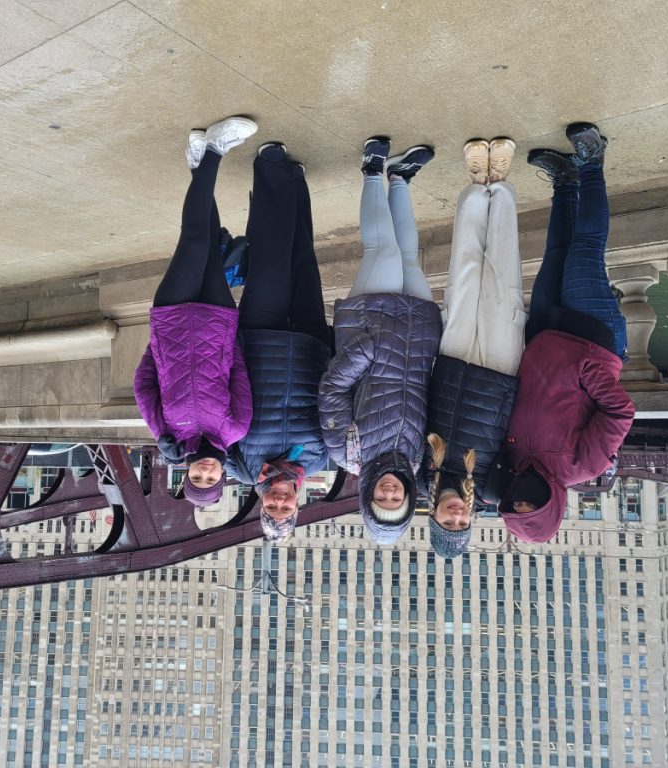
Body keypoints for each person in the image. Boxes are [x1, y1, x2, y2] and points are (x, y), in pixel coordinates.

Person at [499, 122, 635, 543]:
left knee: (556, 252)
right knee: (585, 250)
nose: (522, 498)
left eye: (515, 504)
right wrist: (585, 370)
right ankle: (592, 162)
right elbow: (619, 412)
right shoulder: (582, 466)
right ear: (551, 506)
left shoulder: (512, 458)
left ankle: (564, 181)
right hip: (592, 339)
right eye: (531, 505)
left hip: (544, 333)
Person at [319, 137, 443, 545]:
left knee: (381, 250)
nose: (390, 492)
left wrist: (371, 347)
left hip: (368, 331)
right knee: (408, 256)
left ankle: (373, 169)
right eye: (397, 500)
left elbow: (334, 387)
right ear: (409, 498)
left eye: (381, 499)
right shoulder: (419, 459)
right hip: (417, 338)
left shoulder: (347, 453)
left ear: (367, 495)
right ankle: (402, 178)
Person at [133, 115, 257, 508]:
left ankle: (215, 151)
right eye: (211, 478)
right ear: (223, 474)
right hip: (218, 320)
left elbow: (143, 384)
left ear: (186, 472)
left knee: (193, 239)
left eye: (197, 478)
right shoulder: (235, 428)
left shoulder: (167, 432)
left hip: (170, 318)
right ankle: (198, 163)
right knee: (208, 245)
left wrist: (159, 347)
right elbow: (239, 370)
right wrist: (226, 339)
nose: (205, 472)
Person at [223, 142, 333, 541]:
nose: (279, 502)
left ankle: (270, 167)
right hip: (309, 345)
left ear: (262, 503)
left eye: (271, 508)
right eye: (285, 509)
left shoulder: (240, 465)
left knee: (270, 260)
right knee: (303, 255)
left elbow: (212, 432)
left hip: (258, 341)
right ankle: (295, 180)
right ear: (297, 506)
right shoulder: (320, 459)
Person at [425, 137, 526, 559]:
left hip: (450, 364)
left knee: (463, 274)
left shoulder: (418, 473)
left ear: (432, 515)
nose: (455, 517)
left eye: (446, 523)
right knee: (504, 276)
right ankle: (500, 183)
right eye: (461, 524)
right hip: (501, 371)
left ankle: (475, 181)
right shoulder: (488, 487)